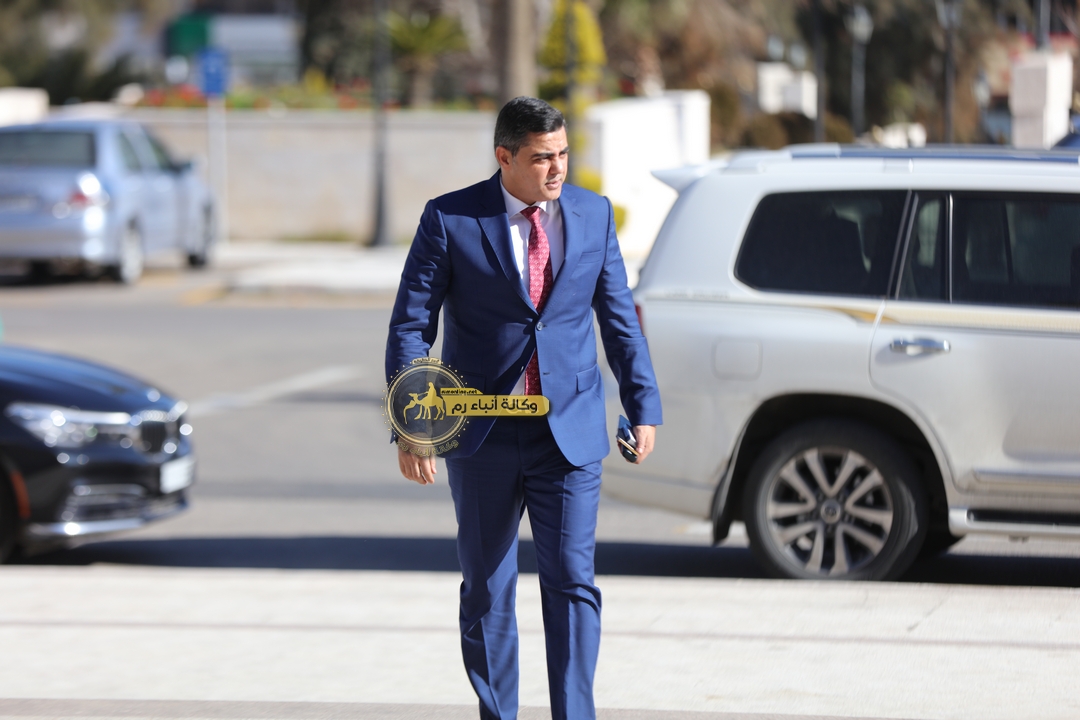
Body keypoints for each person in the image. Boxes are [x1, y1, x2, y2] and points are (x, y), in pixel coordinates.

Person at [385, 96, 662, 720]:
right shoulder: (450, 218)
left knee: (572, 585)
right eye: (541, 158)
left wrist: (642, 402)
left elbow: (619, 319)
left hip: (568, 431)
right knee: (487, 590)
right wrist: (414, 426)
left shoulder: (592, 214)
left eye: (562, 153)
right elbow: (411, 327)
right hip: (482, 434)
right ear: (504, 157)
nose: (557, 168)